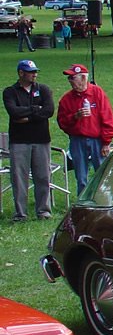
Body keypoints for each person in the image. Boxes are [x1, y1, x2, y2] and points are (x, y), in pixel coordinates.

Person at [3, 60, 55, 221]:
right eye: (30, 72)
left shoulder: (43, 89)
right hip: (19, 141)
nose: (34, 74)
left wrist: (27, 116)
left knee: (43, 176)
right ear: (21, 73)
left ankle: (43, 211)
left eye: (35, 71)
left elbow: (49, 110)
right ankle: (20, 213)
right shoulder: (10, 92)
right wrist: (35, 110)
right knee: (19, 178)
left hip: (41, 139)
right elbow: (14, 112)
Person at [56, 64, 113, 195]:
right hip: (77, 141)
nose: (70, 81)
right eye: (69, 78)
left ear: (83, 78)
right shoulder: (66, 99)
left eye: (72, 78)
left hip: (97, 140)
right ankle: (83, 201)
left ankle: (103, 198)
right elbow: (62, 123)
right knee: (81, 176)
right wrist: (75, 117)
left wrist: (106, 142)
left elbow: (107, 117)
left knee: (101, 172)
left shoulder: (97, 93)